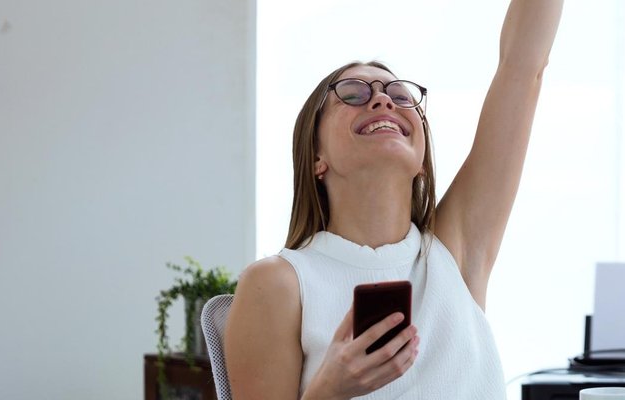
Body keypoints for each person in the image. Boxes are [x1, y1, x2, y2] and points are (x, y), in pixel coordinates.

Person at [223, 1, 563, 399]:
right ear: (316, 158)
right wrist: (329, 391)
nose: (384, 100)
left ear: (421, 160)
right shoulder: (279, 284)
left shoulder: (454, 252)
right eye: (352, 93)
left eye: (401, 96)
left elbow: (523, 69)